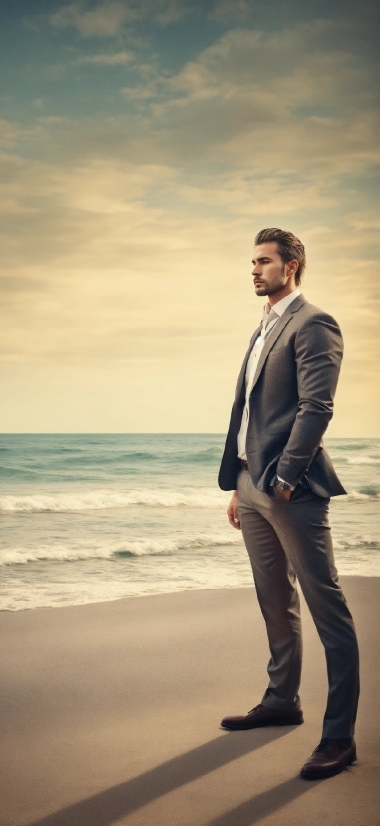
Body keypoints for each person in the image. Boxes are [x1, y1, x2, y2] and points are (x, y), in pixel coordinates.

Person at [218, 228, 359, 780]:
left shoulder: (314, 323)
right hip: (251, 485)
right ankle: (282, 701)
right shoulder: (263, 328)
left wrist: (285, 478)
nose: (254, 270)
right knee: (274, 598)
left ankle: (339, 736)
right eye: (252, 262)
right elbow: (251, 414)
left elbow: (316, 406)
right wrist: (240, 484)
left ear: (292, 266)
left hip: (290, 488)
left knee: (328, 608)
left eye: (264, 262)